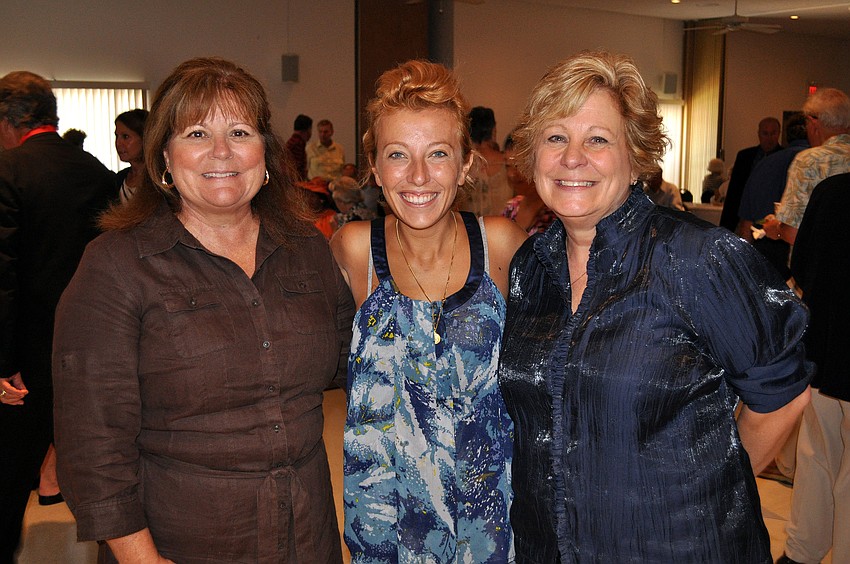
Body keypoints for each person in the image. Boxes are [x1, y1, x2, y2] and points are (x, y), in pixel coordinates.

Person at [498, 50, 812, 563]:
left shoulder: (698, 258)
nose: (572, 157)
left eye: (597, 139)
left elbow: (781, 395)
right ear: (532, 155)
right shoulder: (532, 264)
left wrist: (705, 489)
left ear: (636, 155)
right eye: (556, 137)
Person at [52, 57, 353, 563]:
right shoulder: (117, 265)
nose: (221, 152)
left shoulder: (306, 247)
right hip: (183, 540)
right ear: (164, 158)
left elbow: (357, 362)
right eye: (196, 133)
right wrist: (139, 558)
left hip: (306, 534)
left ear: (265, 153)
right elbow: (92, 440)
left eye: (239, 131)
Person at [330, 59, 528, 562]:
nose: (418, 175)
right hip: (385, 528)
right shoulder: (355, 252)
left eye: (438, 154)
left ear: (465, 164)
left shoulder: (501, 246)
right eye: (398, 154)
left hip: (489, 527)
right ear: (374, 166)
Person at [0, 70, 116, 564]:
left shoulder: (8, 170)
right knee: (101, 464)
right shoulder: (96, 171)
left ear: (6, 118)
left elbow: (2, 278)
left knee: (7, 474)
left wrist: (3, 362)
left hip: (25, 349)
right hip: (91, 343)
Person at [777, 172, 850, 564]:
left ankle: (801, 552)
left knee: (818, 458)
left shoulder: (831, 190)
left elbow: (801, 265)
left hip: (825, 349)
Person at [762, 87, 850, 246]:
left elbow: (793, 233)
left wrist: (776, 228)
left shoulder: (809, 161)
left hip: (822, 266)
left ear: (814, 123)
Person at [738, 112, 809, 280]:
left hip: (765, 250)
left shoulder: (764, 165)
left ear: (782, 134)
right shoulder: (818, 163)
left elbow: (746, 222)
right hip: (802, 251)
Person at [719, 116, 783, 231]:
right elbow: (734, 193)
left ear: (779, 133)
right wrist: (726, 226)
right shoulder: (745, 157)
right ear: (759, 134)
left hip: (774, 220)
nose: (769, 138)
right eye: (765, 133)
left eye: (773, 133)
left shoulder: (785, 157)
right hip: (746, 217)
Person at [501, 132, 556, 234]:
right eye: (507, 166)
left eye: (517, 167)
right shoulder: (511, 208)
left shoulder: (555, 212)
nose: (511, 174)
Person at [463, 106, 512, 216]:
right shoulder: (508, 164)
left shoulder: (464, 165)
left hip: (471, 230)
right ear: (493, 130)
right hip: (504, 228)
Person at [114, 108, 149, 202]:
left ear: (144, 138)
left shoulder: (160, 179)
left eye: (125, 137)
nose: (118, 143)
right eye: (117, 136)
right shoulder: (119, 179)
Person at [285, 113, 312, 181]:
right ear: (307, 130)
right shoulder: (298, 144)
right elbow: (297, 169)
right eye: (310, 129)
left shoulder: (292, 141)